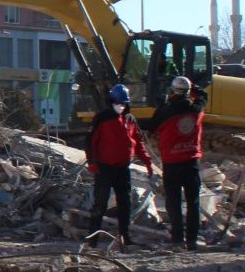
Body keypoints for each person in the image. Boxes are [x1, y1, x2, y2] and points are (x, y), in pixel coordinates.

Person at [140, 76, 206, 251]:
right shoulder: (197, 109)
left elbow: (153, 126)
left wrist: (161, 105)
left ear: (172, 91)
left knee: (174, 202)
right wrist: (196, 91)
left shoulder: (165, 111)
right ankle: (192, 240)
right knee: (193, 202)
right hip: (191, 161)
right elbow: (202, 97)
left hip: (172, 162)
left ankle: (177, 239)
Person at [86, 83, 153, 248]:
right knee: (100, 203)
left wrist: (147, 162)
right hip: (104, 168)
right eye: (118, 102)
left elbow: (137, 143)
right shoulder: (102, 118)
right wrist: (92, 163)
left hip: (122, 168)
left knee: (125, 203)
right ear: (111, 101)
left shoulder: (130, 119)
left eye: (123, 103)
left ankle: (125, 236)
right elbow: (90, 142)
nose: (120, 106)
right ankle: (92, 239)